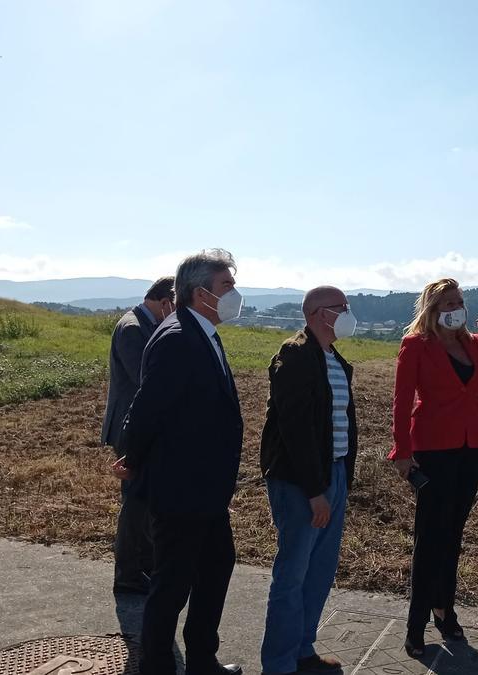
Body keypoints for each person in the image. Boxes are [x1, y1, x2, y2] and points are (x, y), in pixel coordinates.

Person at [116, 249, 245, 675]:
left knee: (215, 569)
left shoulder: (203, 332)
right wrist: (132, 459)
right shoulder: (176, 338)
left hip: (205, 488)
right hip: (180, 489)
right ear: (199, 292)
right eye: (226, 286)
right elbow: (147, 408)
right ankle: (157, 667)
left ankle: (202, 660)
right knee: (172, 585)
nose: (234, 294)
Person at [387, 278, 478, 657]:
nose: (455, 308)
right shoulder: (415, 345)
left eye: (459, 301)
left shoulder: (473, 344)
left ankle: (444, 611)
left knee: (454, 533)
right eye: (447, 303)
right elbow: (401, 400)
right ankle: (416, 624)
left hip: (469, 447)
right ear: (431, 309)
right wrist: (402, 451)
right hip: (431, 449)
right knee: (430, 537)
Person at [257, 286, 359, 675]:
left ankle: (302, 651)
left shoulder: (334, 359)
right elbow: (295, 428)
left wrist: (338, 481)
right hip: (302, 481)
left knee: (319, 571)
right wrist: (314, 490)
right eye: (342, 308)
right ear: (319, 314)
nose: (349, 314)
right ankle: (279, 665)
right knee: (293, 574)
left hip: (332, 474)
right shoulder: (294, 355)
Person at [102, 276, 175, 596]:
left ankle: (144, 566)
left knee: (144, 501)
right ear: (164, 302)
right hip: (131, 427)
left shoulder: (144, 323)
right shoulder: (133, 328)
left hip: (141, 425)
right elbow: (146, 380)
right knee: (135, 503)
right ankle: (129, 574)